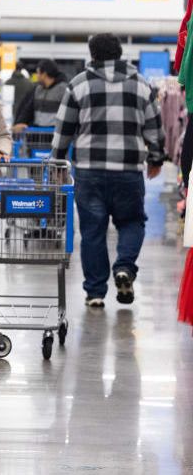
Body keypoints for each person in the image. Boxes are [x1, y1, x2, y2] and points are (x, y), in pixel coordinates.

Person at [52, 33, 165, 308]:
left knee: (92, 230)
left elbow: (64, 127)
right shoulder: (141, 85)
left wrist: (57, 161)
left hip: (89, 171)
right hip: (128, 171)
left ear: (92, 55)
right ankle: (124, 267)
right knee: (132, 222)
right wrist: (156, 158)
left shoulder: (78, 85)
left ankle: (95, 292)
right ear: (120, 53)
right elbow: (154, 126)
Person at [13, 59, 67, 132]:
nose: (37, 76)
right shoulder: (38, 89)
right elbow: (28, 109)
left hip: (55, 134)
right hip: (37, 134)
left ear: (44, 74)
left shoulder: (63, 90)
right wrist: (19, 123)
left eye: (38, 73)